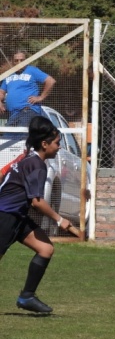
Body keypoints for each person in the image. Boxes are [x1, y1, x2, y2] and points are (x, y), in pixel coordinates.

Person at [0, 116, 73, 313]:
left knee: (45, 248)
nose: (59, 147)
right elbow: (37, 202)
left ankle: (27, 297)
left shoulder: (30, 159)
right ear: (44, 143)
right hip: (5, 216)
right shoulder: (36, 165)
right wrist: (59, 219)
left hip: (18, 217)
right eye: (57, 143)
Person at [0, 50, 56, 127]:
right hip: (13, 114)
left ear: (26, 60)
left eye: (22, 60)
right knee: (7, 137)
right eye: (16, 60)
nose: (19, 63)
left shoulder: (32, 70)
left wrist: (41, 97)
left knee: (19, 136)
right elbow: (2, 92)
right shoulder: (9, 74)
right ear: (12, 62)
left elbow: (50, 81)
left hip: (28, 111)